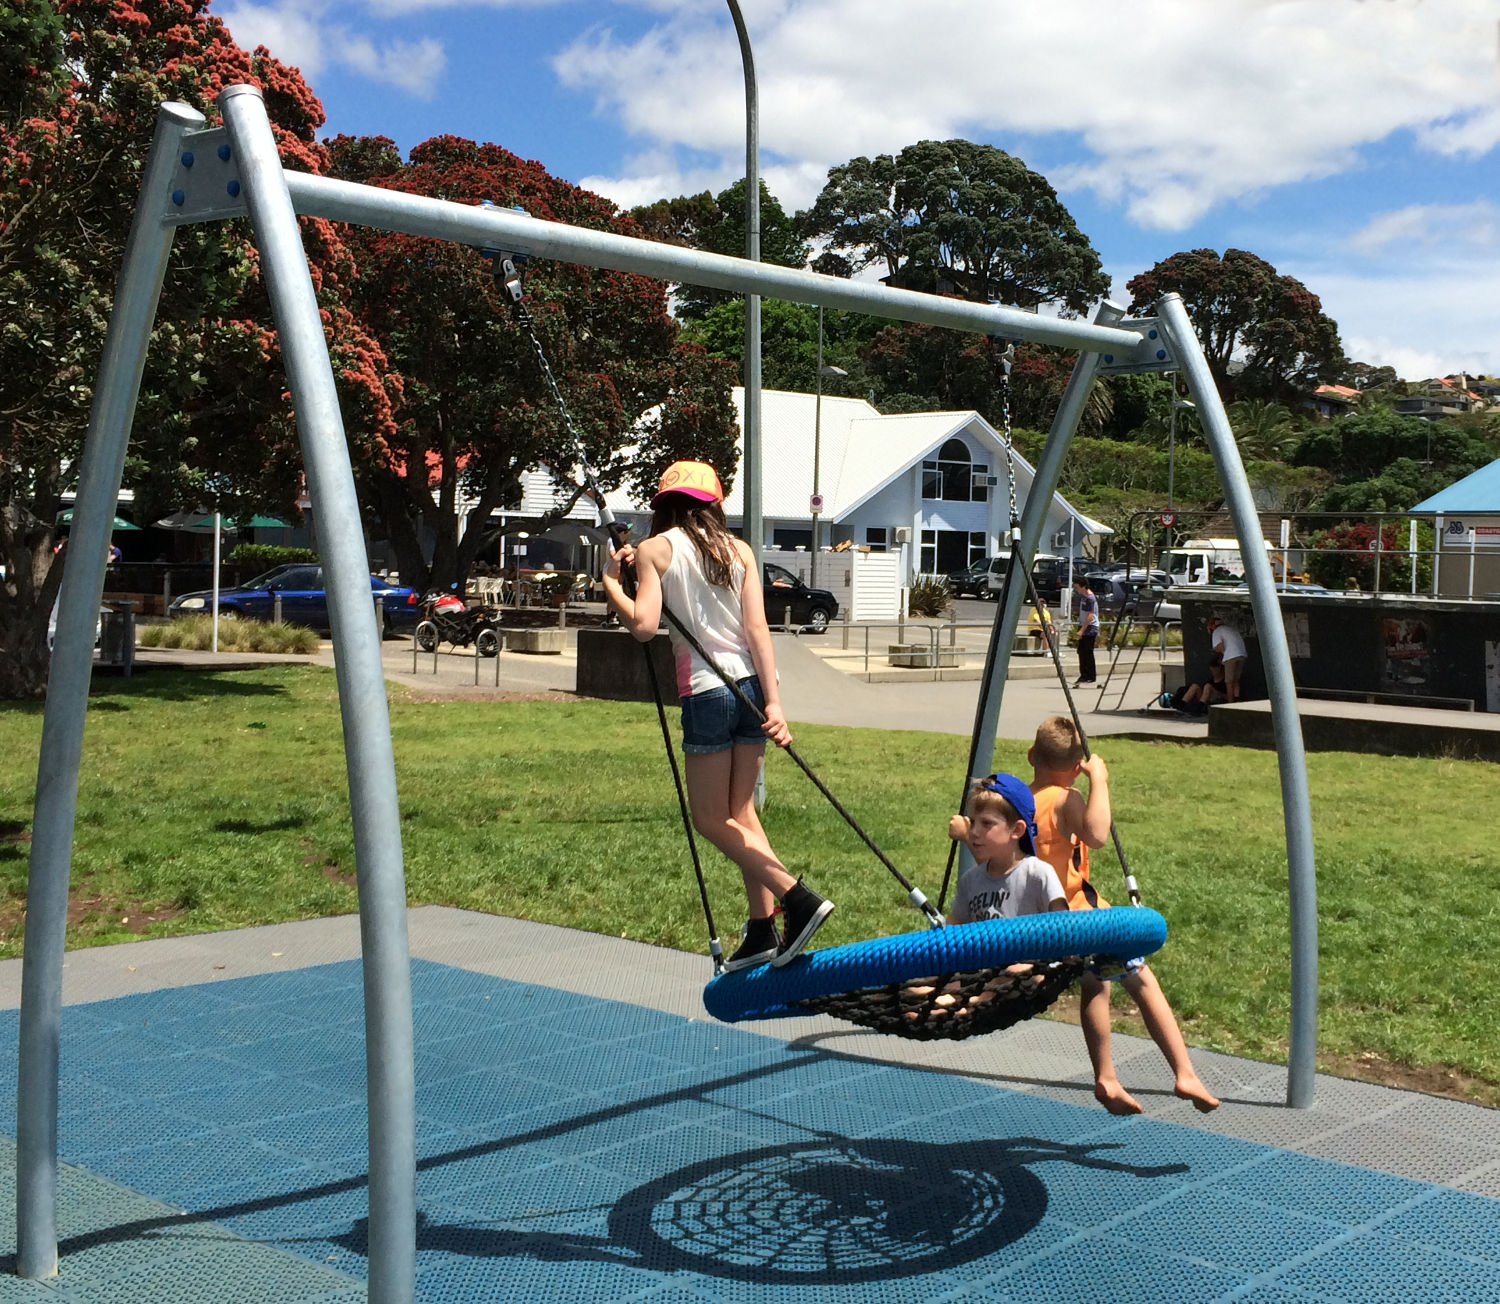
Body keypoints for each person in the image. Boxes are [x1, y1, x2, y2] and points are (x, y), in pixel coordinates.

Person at [601, 460, 834, 972]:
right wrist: (774, 704)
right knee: (743, 812)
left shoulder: (654, 549)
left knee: (710, 819)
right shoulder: (741, 551)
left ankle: (796, 898)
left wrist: (612, 583)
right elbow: (757, 631)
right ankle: (761, 928)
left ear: (664, 505)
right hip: (750, 689)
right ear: (714, 504)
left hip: (706, 692)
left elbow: (643, 626)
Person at [1027, 716, 1219, 1115]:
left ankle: (1106, 1077)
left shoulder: (1020, 802)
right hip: (1076, 922)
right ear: (1077, 766)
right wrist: (1099, 780)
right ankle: (1184, 1072)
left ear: (1031, 756)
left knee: (1097, 983)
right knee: (1141, 978)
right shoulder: (1066, 799)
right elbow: (1097, 835)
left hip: (1032, 925)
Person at [945, 773, 1067, 925]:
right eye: (972, 821)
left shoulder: (1038, 874)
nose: (974, 831)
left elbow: (1064, 929)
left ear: (1017, 830)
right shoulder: (969, 881)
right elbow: (952, 932)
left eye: (987, 823)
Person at [1207, 616, 1247, 703]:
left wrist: (1218, 652)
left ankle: (1230, 704)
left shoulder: (1217, 632)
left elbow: (1220, 647)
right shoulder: (1231, 629)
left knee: (1228, 682)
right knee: (1236, 679)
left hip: (1230, 656)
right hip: (1242, 655)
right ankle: (1237, 700)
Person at [1071, 577, 1099, 686]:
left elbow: (1090, 616)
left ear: (1083, 586)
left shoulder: (1090, 598)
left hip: (1090, 628)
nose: (1076, 589)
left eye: (1077, 586)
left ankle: (1090, 676)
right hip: (1083, 625)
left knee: (1087, 652)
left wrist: (1081, 630)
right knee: (1081, 651)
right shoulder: (1083, 596)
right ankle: (1084, 675)